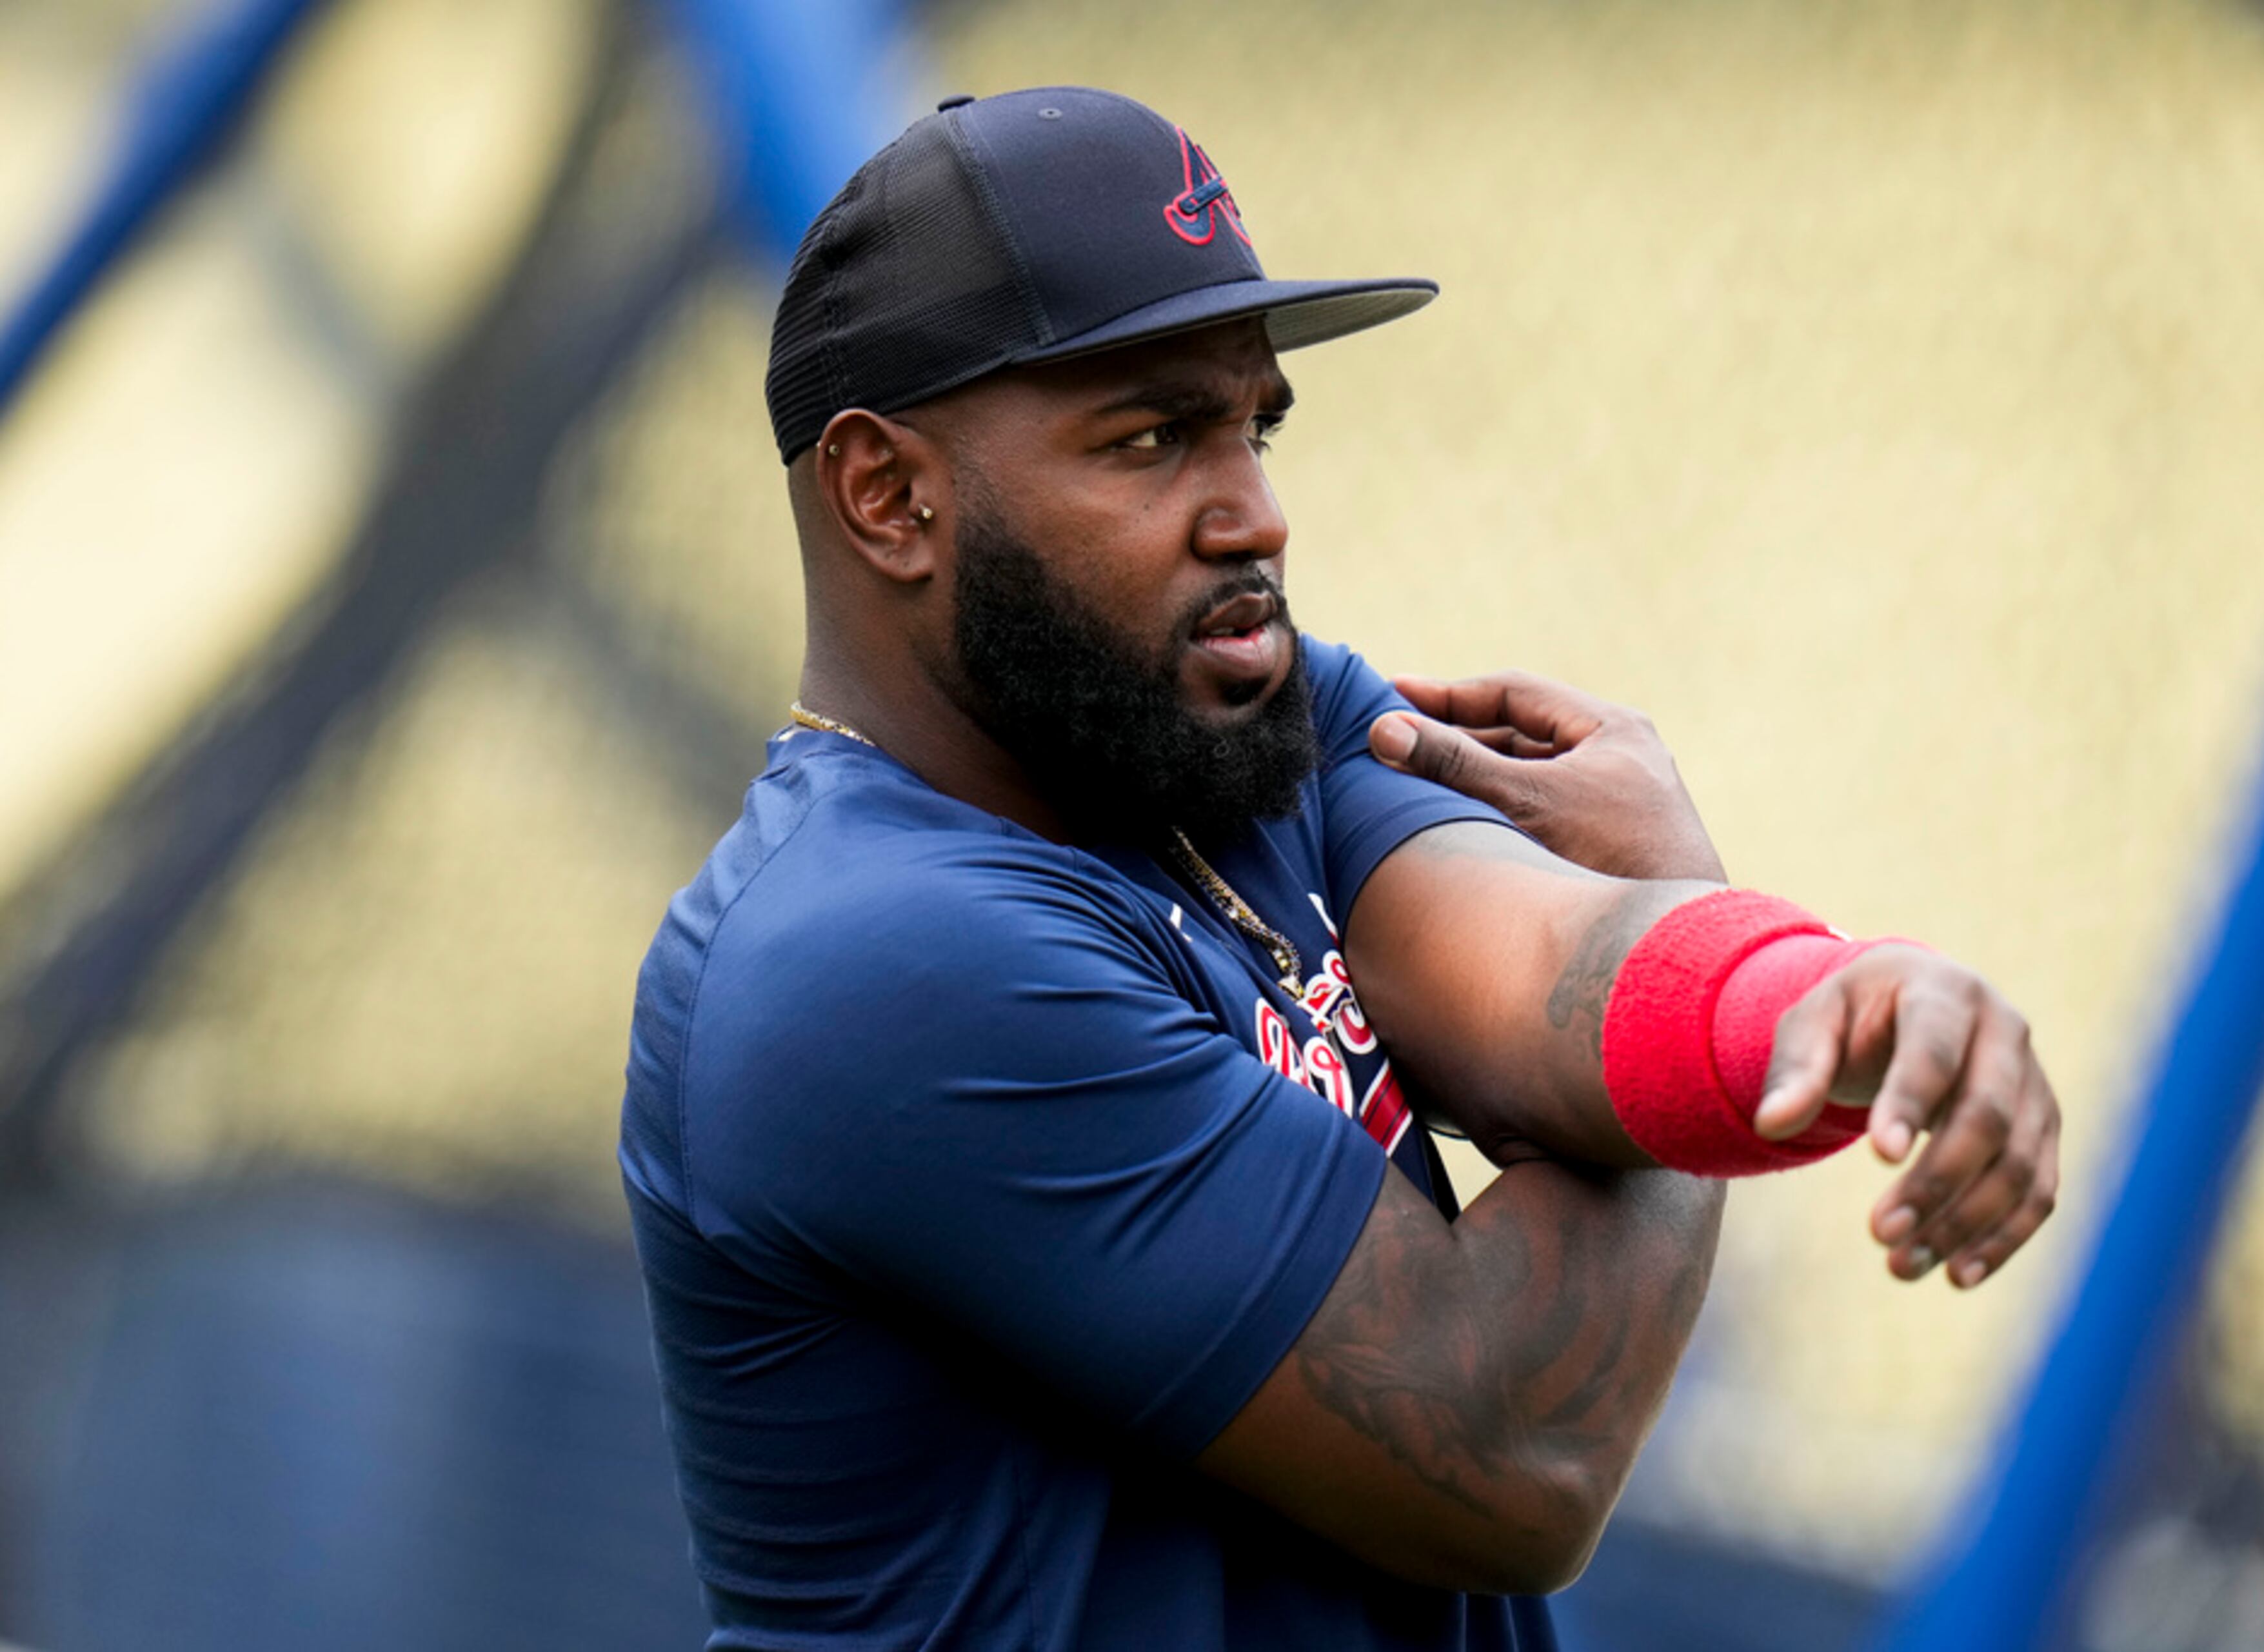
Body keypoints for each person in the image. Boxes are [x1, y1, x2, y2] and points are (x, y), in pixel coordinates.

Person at [619, 86, 2061, 1651]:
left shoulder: (1241, 709)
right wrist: (1703, 917)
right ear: (889, 497)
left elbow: (1546, 986)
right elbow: (1510, 1448)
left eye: (1256, 425)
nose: (1255, 513)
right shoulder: (862, 962)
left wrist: (1826, 997)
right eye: (1153, 437)